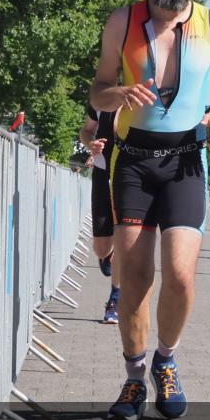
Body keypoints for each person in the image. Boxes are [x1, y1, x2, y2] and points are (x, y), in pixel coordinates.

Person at [90, 0, 210, 420]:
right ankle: (134, 380)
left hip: (184, 163)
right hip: (132, 160)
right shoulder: (124, 20)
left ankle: (166, 361)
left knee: (179, 275)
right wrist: (117, 96)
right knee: (134, 279)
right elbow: (97, 91)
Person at [79, 104, 121, 324]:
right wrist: (91, 144)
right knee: (102, 247)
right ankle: (108, 254)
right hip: (104, 173)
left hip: (132, 175)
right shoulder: (102, 101)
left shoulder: (147, 99)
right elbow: (86, 131)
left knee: (126, 238)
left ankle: (115, 300)